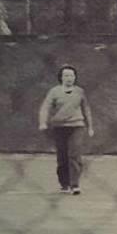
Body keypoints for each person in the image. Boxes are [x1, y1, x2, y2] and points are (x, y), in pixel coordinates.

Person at [39, 64, 94, 194]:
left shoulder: (80, 91)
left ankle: (75, 184)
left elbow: (86, 109)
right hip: (59, 128)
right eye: (66, 75)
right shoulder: (54, 91)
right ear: (61, 77)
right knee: (62, 156)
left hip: (77, 126)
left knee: (74, 154)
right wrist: (43, 122)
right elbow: (45, 107)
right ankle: (65, 184)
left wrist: (90, 126)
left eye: (71, 75)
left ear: (75, 77)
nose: (69, 78)